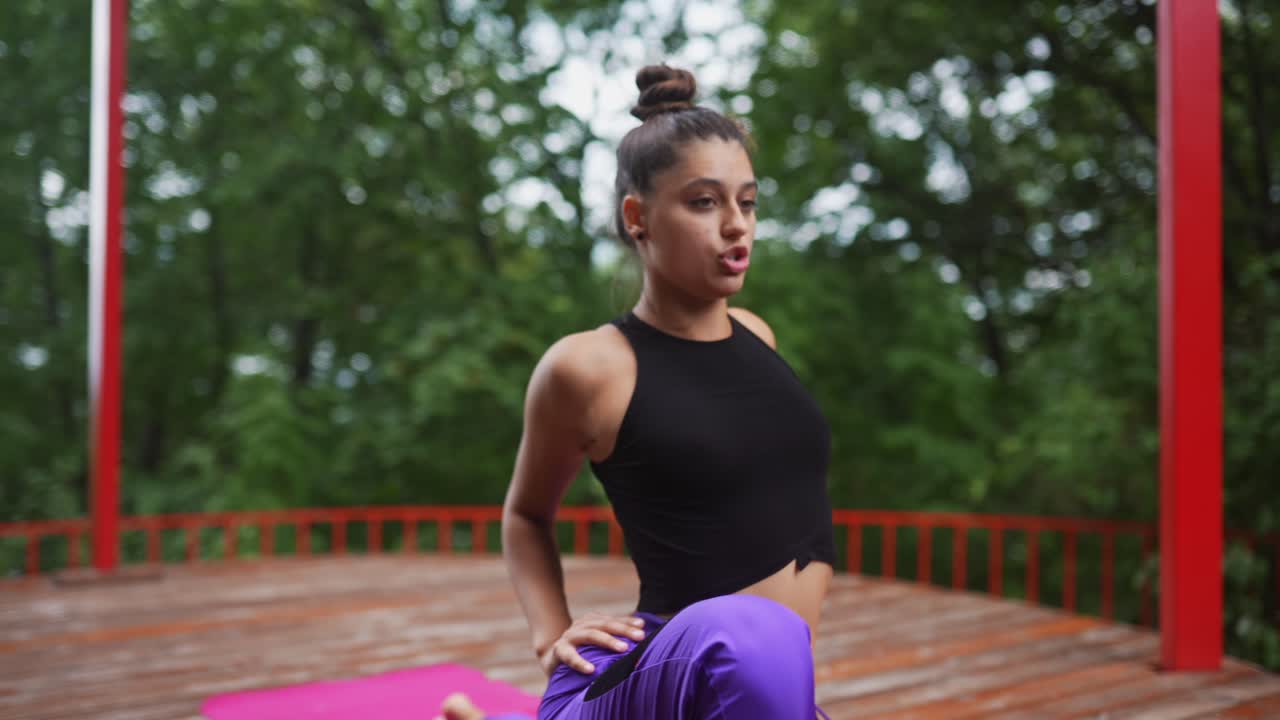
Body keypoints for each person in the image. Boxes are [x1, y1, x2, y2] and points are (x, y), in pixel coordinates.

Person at [436, 64, 836, 720]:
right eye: (705, 202)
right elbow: (525, 515)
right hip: (655, 678)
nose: (737, 225)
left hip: (758, 696)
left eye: (748, 201)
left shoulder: (757, 337)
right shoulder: (591, 367)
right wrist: (549, 634)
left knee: (768, 650)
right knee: (755, 635)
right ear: (638, 218)